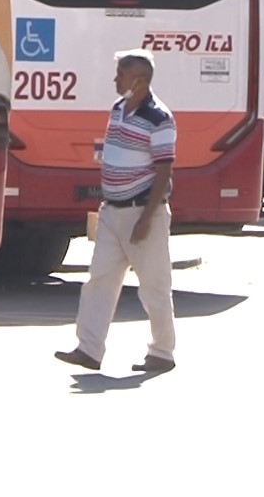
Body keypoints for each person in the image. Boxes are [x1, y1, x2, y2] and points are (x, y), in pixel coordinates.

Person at [55, 48, 177, 375]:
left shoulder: (159, 117)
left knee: (153, 286)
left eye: (120, 74)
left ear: (137, 80)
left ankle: (162, 352)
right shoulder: (118, 108)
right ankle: (89, 349)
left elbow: (164, 171)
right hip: (113, 211)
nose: (115, 79)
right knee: (100, 280)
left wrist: (147, 218)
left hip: (142, 212)